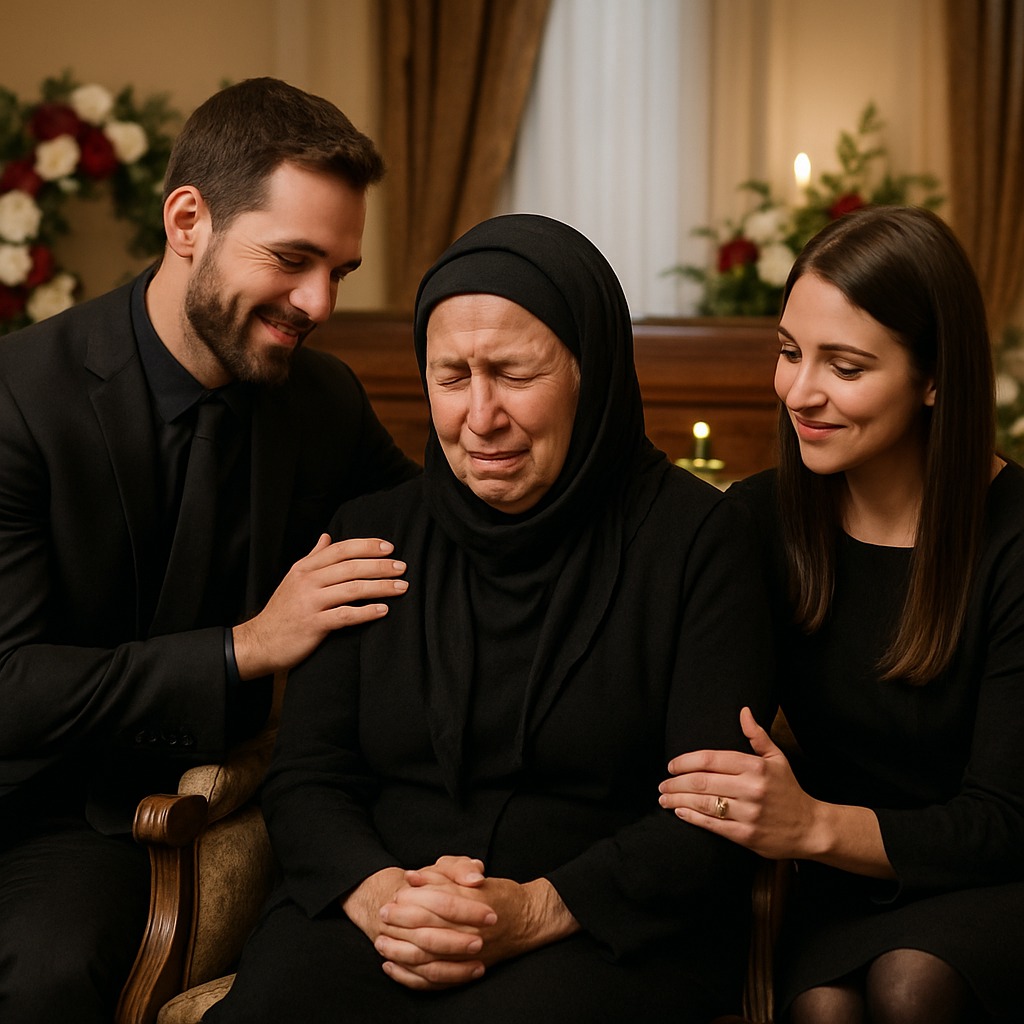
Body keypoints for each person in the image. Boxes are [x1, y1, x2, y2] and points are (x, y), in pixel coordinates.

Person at [203, 213, 774, 1024]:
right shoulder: (374, 531)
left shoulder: (701, 542)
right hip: (380, 913)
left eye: (513, 373)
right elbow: (309, 775)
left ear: (591, 372)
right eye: (451, 376)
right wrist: (381, 896)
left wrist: (536, 910)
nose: (480, 415)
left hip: (602, 926)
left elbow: (714, 805)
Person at [0, 77, 419, 1022]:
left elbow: (435, 533)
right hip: (16, 780)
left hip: (112, 823)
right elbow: (9, 685)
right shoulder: (19, 400)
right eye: (293, 259)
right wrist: (247, 647)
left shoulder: (323, 402)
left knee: (46, 973)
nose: (318, 302)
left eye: (340, 271)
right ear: (188, 220)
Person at [659, 205, 1024, 1024]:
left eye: (846, 366)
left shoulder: (1014, 540)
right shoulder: (760, 520)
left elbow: (1005, 822)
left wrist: (815, 826)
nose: (800, 392)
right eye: (789, 352)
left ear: (936, 378)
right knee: (827, 1008)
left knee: (912, 986)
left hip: (998, 878)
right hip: (843, 884)